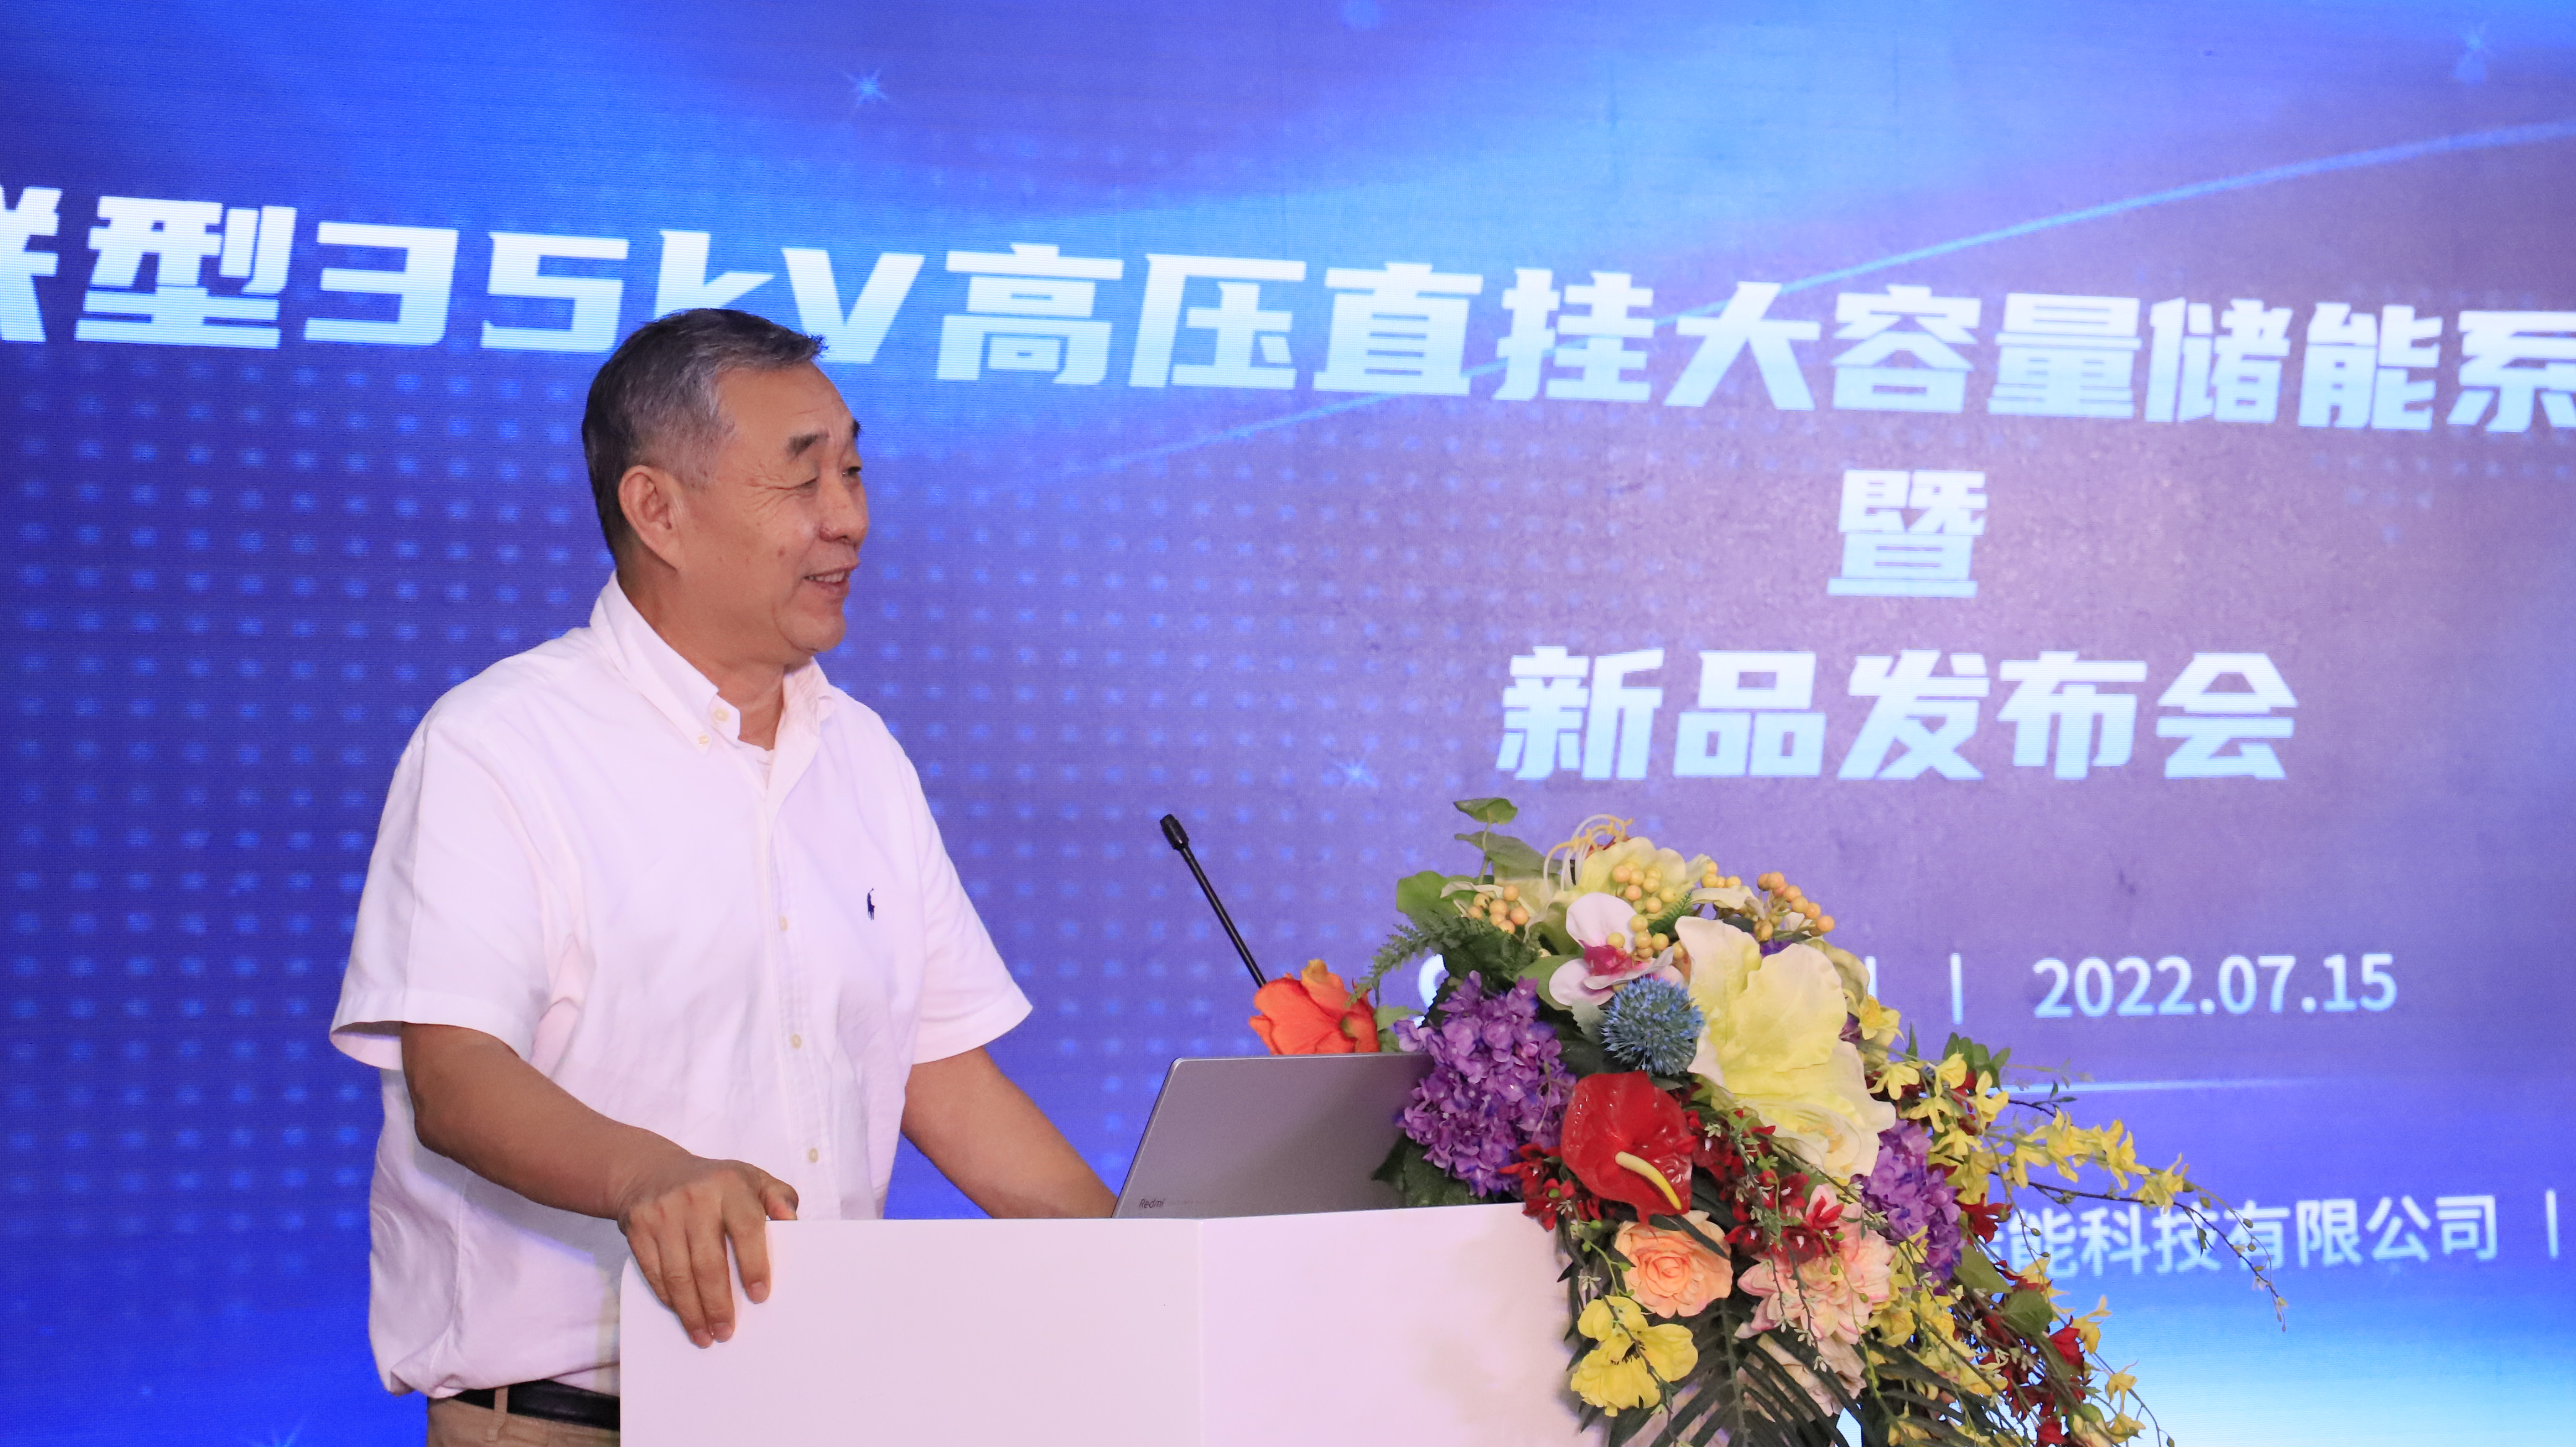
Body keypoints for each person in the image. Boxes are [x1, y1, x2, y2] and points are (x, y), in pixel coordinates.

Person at [328, 307, 1114, 1446]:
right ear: (658, 510)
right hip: (575, 1420)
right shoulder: (501, 743)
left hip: (815, 1407)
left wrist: (1160, 1265)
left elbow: (942, 1075)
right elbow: (457, 1080)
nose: (849, 518)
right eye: (802, 479)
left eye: (853, 472)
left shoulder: (861, 756)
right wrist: (646, 1176)